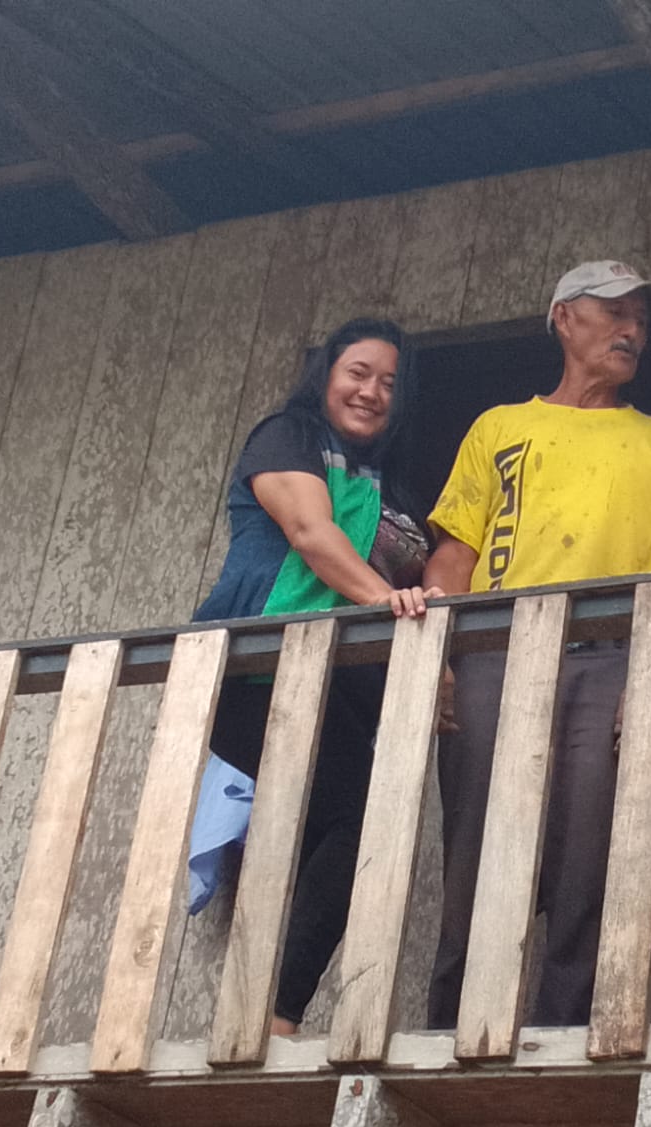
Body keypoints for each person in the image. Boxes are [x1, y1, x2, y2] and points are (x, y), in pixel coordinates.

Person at [424, 260, 651, 1028]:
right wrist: (438, 658)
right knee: (478, 856)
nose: (632, 330)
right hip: (496, 655)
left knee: (590, 863)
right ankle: (452, 1035)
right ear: (564, 318)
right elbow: (453, 555)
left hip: (611, 660)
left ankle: (562, 1040)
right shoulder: (500, 427)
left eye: (641, 320)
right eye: (615, 312)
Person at [192, 316, 438, 1034]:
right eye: (358, 373)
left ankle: (262, 1015)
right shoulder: (288, 436)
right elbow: (311, 533)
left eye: (389, 383)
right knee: (353, 819)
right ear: (325, 375)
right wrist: (386, 600)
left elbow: (421, 570)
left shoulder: (389, 483)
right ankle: (273, 1017)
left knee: (339, 829)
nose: (371, 392)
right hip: (264, 669)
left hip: (346, 688)